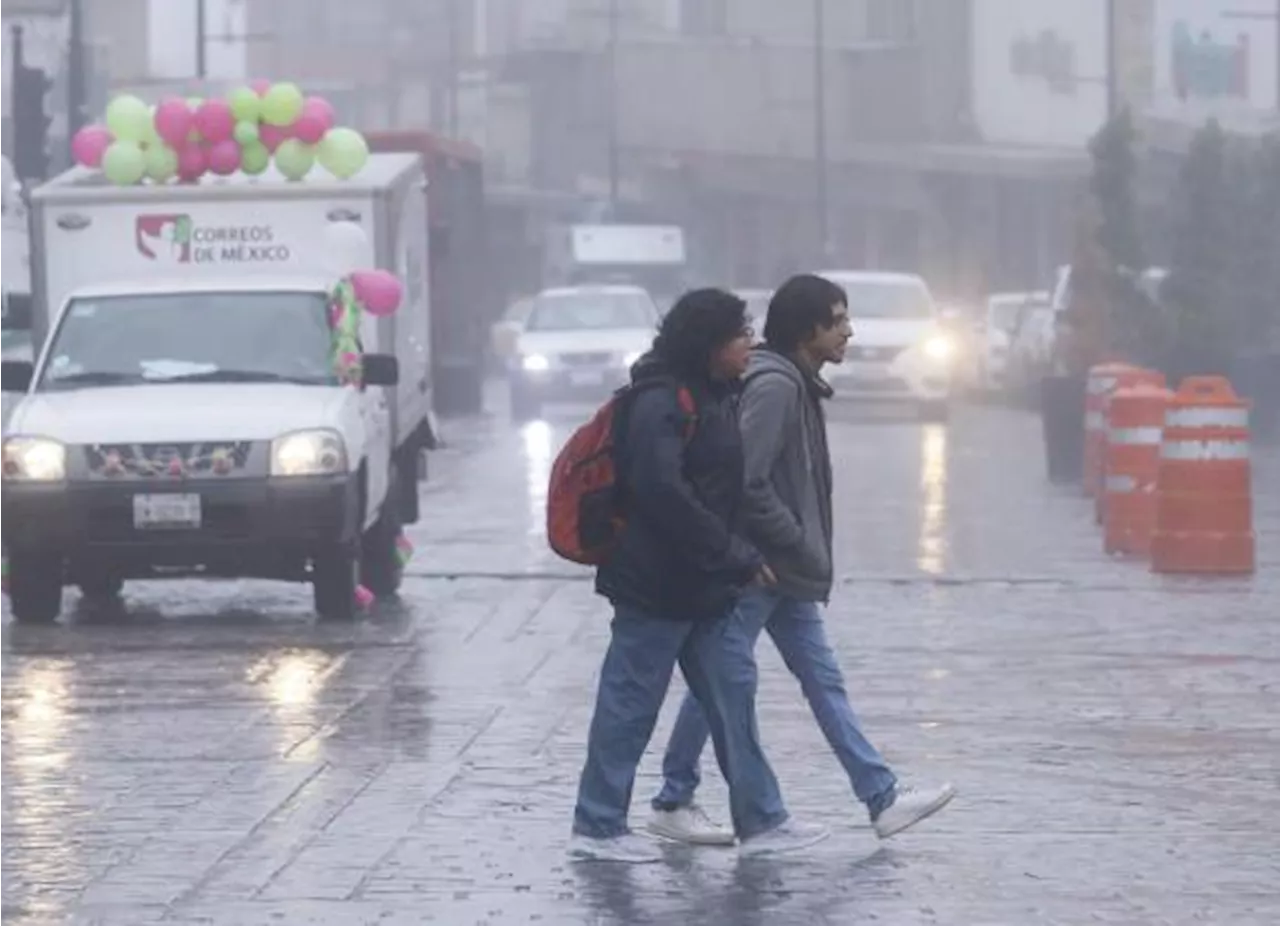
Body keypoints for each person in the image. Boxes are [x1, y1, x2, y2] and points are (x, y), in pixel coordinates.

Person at [645, 274, 956, 846]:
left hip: (783, 569)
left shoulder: (796, 382)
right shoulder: (777, 387)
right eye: (837, 320)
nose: (849, 331)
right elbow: (748, 479)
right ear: (808, 329)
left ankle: (880, 797)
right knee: (721, 679)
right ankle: (676, 796)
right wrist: (794, 540)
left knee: (817, 678)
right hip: (761, 568)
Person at [571, 288, 829, 862]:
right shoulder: (660, 402)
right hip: (657, 586)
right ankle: (598, 825)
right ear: (710, 344)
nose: (751, 345)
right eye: (741, 335)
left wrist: (730, 559)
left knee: (733, 698)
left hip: (708, 588)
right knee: (629, 705)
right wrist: (733, 552)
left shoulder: (716, 395)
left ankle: (762, 820)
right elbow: (664, 493)